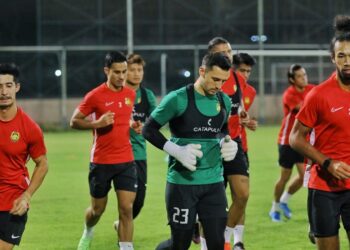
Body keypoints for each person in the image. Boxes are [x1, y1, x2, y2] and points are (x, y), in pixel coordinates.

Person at [143, 52, 238, 250]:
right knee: (179, 245)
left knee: (217, 243)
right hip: (182, 184)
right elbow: (148, 129)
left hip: (214, 184)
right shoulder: (177, 99)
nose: (219, 86)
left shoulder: (224, 102)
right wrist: (175, 150)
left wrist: (226, 143)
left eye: (223, 81)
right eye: (215, 79)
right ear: (202, 71)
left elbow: (221, 131)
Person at [289, 14, 350, 250]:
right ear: (333, 58)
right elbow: (295, 137)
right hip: (325, 188)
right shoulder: (319, 95)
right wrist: (328, 163)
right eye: (341, 55)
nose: (347, 61)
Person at [71, 51, 141, 250]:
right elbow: (74, 121)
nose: (121, 76)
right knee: (97, 209)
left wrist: (131, 125)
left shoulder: (130, 94)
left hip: (126, 160)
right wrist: (98, 123)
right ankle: (88, 231)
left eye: (124, 72)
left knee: (126, 209)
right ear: (106, 71)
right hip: (101, 162)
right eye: (117, 72)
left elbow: (121, 117)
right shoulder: (94, 96)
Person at [207, 37, 251, 250]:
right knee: (210, 203)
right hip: (210, 145)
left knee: (242, 195)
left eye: (229, 50)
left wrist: (243, 113)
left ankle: (228, 238)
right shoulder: (206, 79)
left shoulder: (237, 78)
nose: (227, 54)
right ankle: (207, 243)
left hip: (234, 143)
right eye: (222, 51)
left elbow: (239, 104)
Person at [0, 63, 48, 249]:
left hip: (12, 203)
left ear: (17, 87)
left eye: (8, 85)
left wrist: (27, 196)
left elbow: (42, 164)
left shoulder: (29, 128)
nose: (4, 92)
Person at [113, 53, 157, 230]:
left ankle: (121, 225)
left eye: (140, 70)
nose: (136, 73)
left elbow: (156, 121)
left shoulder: (147, 96)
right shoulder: (114, 93)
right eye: (132, 70)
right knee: (103, 205)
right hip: (114, 154)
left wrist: (144, 126)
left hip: (138, 154)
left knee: (138, 201)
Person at [269, 64, 314, 222]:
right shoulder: (289, 94)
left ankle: (284, 200)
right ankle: (274, 207)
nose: (304, 78)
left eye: (305, 75)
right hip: (287, 141)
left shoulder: (311, 89)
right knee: (284, 177)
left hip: (301, 141)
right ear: (292, 79)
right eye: (300, 76)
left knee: (304, 176)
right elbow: (304, 108)